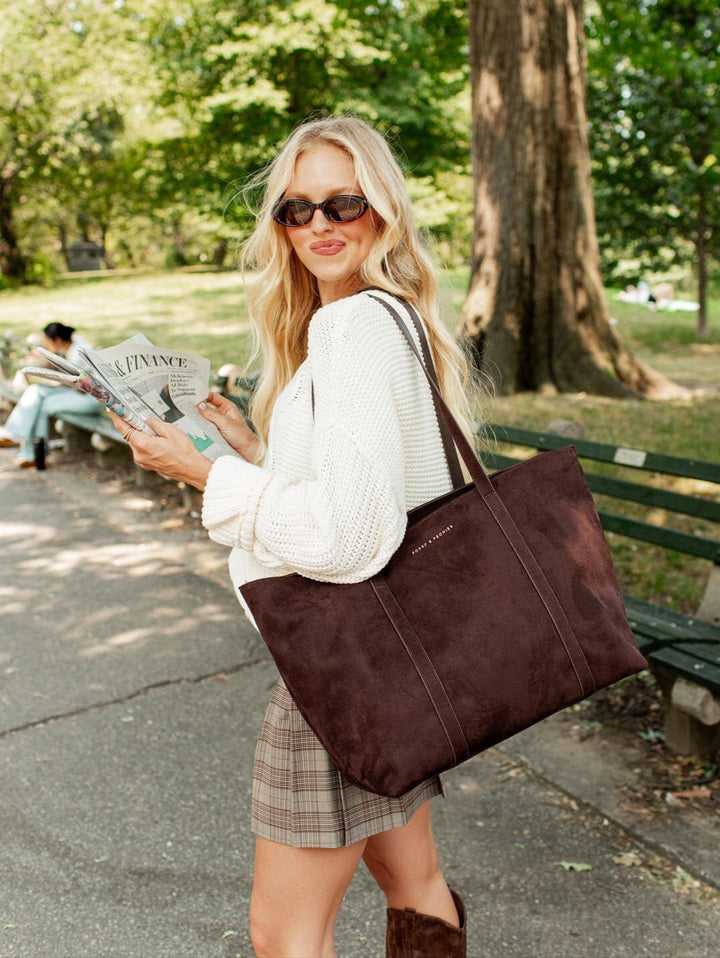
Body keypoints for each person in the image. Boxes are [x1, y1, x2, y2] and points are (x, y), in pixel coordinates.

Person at [108, 115, 475, 958]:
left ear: (381, 211)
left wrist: (206, 476)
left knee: (284, 934)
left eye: (343, 203)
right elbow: (364, 494)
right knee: (413, 885)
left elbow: (350, 538)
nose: (319, 226)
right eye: (295, 210)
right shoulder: (393, 319)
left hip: (339, 674)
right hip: (399, 663)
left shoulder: (349, 329)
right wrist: (253, 454)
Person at [0, 322, 101, 468]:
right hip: (74, 393)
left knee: (42, 405)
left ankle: (31, 453)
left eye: (47, 341)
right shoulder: (73, 342)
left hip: (89, 399)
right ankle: (21, 442)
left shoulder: (78, 355)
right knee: (34, 390)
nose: (46, 344)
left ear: (57, 340)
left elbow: (82, 388)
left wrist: (53, 370)